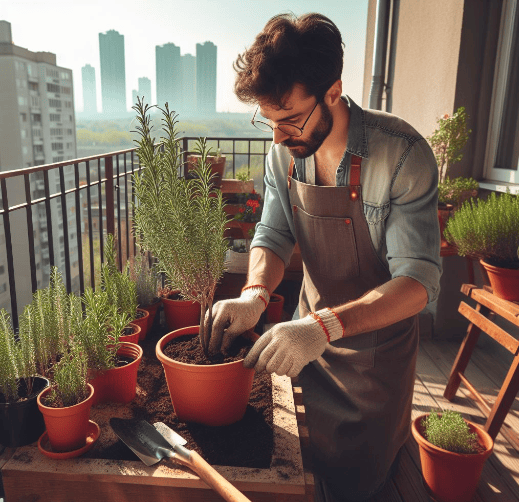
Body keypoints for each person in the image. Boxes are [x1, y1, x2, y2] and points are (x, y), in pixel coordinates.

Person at [205, 12, 441, 502]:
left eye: (289, 119)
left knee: (358, 482)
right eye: (268, 121)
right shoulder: (283, 153)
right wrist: (254, 294)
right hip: (301, 337)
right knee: (296, 472)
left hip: (373, 363)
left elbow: (418, 281)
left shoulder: (401, 155)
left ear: (333, 91)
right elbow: (272, 232)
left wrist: (327, 326)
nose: (276, 138)